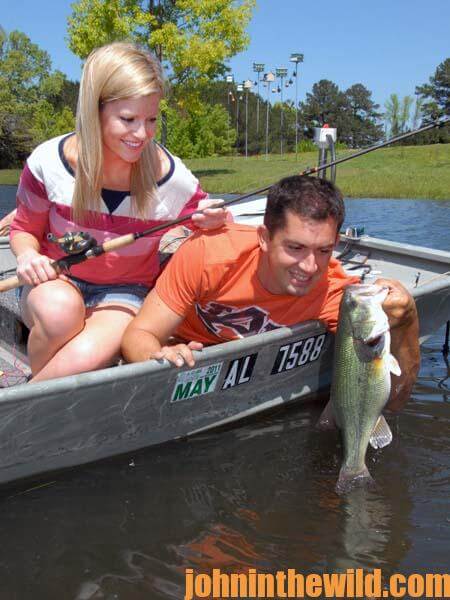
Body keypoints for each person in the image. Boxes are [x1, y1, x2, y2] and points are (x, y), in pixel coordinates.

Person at [9, 42, 229, 382]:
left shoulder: (173, 178)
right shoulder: (47, 161)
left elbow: (219, 225)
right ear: (93, 110)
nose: (142, 134)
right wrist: (27, 258)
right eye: (128, 119)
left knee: (84, 356)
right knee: (58, 314)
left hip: (126, 293)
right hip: (56, 280)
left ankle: (23, 410)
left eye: (152, 119)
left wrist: (215, 220)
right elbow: (24, 230)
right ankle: (40, 406)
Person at [122, 175, 420, 411]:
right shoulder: (206, 255)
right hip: (183, 334)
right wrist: (159, 354)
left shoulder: (337, 295)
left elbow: (394, 401)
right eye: (295, 247)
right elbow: (139, 334)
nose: (309, 266)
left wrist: (407, 321)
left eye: (324, 250)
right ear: (264, 237)